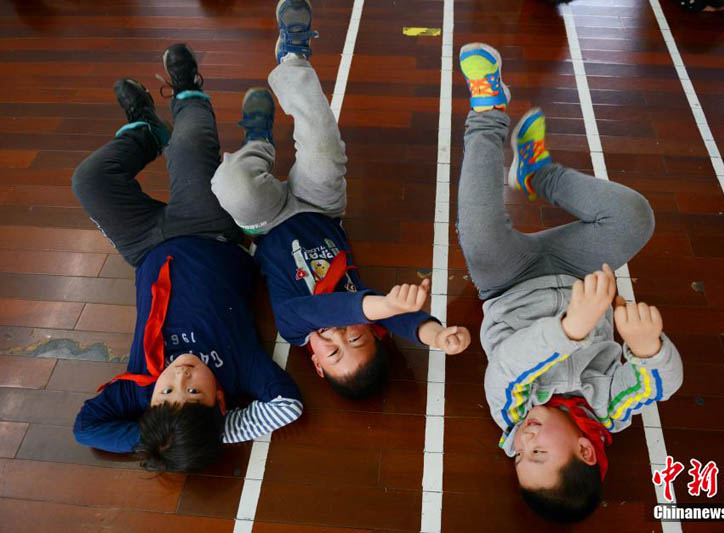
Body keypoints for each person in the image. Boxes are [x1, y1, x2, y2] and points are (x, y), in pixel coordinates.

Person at [456, 43, 684, 522]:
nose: (524, 442)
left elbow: (507, 367)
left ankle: (487, 111)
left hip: (507, 283)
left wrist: (571, 330)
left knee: (476, 234)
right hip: (575, 270)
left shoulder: (512, 414)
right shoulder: (610, 409)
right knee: (634, 217)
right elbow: (661, 384)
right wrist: (648, 349)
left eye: (520, 456)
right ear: (585, 450)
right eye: (538, 453)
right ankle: (539, 174)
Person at [210, 0, 471, 399]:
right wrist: (435, 335)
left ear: (316, 363)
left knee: (233, 186)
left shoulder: (294, 326)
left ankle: (258, 140)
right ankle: (293, 57)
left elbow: (333, 310)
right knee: (325, 149)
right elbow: (400, 319)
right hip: (320, 209)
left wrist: (384, 307)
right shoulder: (369, 310)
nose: (340, 335)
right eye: (357, 339)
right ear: (373, 331)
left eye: (333, 352)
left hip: (267, 224)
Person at [71, 43, 303, 472]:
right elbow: (288, 404)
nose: (179, 377)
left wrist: (163, 439)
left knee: (89, 181)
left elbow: (85, 428)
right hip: (210, 232)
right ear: (220, 402)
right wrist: (208, 432)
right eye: (194, 393)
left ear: (151, 405)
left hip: (145, 247)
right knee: (189, 146)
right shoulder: (241, 371)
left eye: (167, 394)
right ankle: (187, 91)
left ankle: (145, 131)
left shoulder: (139, 389)